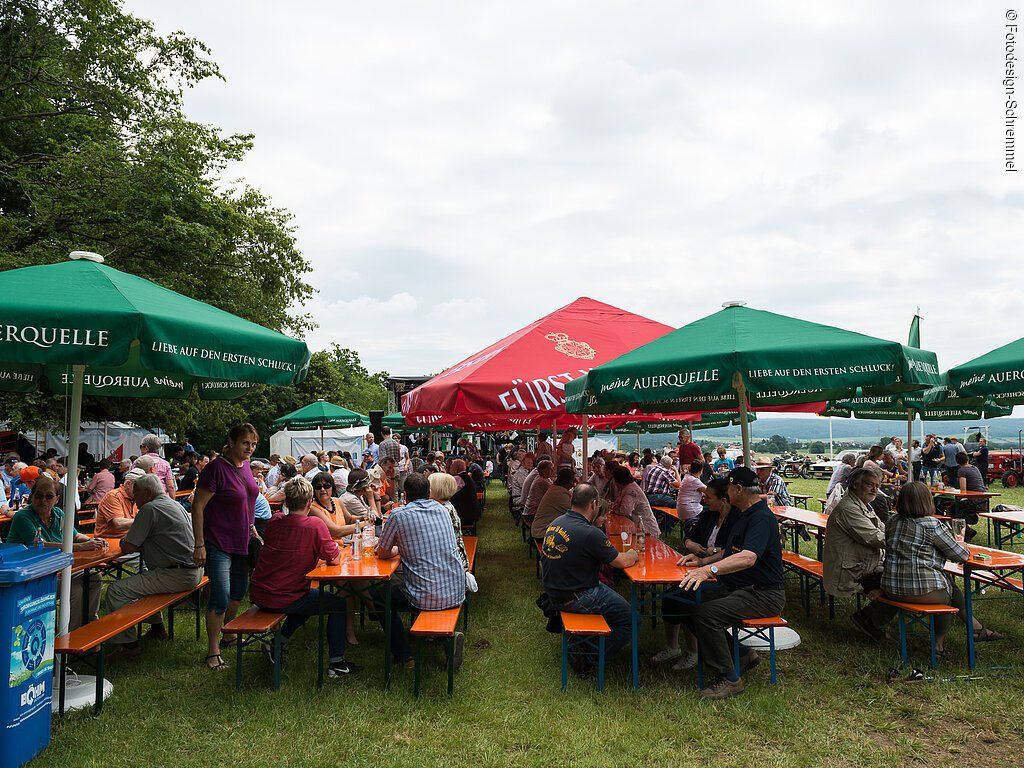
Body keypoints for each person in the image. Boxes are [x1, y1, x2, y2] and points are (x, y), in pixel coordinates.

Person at [670, 467, 786, 699]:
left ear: (738, 489)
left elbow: (748, 556)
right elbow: (728, 553)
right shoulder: (742, 513)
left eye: (729, 488)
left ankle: (730, 679)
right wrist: (703, 559)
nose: (727, 492)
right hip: (738, 588)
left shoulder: (761, 518)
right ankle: (742, 654)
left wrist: (708, 570)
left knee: (706, 614)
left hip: (763, 594)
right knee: (680, 603)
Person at [250, 476, 360, 677]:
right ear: (310, 502)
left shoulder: (275, 521)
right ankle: (337, 664)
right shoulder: (314, 525)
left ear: (286, 501)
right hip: (285, 596)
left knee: (310, 598)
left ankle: (278, 643)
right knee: (336, 604)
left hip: (259, 593)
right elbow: (334, 559)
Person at [883, 482, 1001, 653]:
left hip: (891, 586)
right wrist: (963, 544)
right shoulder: (931, 524)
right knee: (947, 595)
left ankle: (977, 628)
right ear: (926, 501)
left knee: (947, 584)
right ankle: (938, 645)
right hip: (919, 591)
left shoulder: (893, 520)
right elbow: (960, 555)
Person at [541, 483, 638, 674]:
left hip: (553, 593)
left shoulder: (556, 523)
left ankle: (585, 644)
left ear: (572, 500)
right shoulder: (590, 533)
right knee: (632, 619)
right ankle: (590, 657)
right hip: (578, 596)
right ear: (594, 504)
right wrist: (634, 554)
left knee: (610, 593)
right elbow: (621, 562)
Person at [103, 474, 204, 657]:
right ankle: (157, 628)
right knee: (145, 580)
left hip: (177, 574)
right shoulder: (174, 504)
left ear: (148, 493)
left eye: (136, 494)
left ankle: (129, 646)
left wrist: (130, 539)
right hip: (191, 571)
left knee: (116, 590)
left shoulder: (150, 509)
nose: (134, 499)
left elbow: (128, 547)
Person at [374, 472, 466, 667]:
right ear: (429, 492)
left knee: (380, 595)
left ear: (405, 495)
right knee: (417, 580)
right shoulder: (442, 509)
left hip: (426, 595)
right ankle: (443, 640)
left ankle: (403, 654)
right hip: (457, 589)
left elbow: (382, 552)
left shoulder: (399, 515)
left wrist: (399, 549)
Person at [191, 423, 261, 671]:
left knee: (238, 592)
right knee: (220, 594)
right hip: (217, 540)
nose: (250, 448)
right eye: (245, 443)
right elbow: (197, 506)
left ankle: (228, 633)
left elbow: (248, 501)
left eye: (253, 444)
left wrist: (251, 526)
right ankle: (213, 650)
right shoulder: (215, 470)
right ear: (231, 442)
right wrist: (199, 544)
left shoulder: (247, 468)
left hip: (242, 540)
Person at [653, 478, 734, 670]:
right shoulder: (708, 515)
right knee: (671, 595)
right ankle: (673, 647)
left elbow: (730, 550)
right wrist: (691, 545)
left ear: (723, 500)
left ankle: (694, 651)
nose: (704, 499)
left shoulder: (735, 520)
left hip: (723, 575)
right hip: (702, 569)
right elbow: (690, 536)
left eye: (708, 497)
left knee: (684, 598)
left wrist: (706, 558)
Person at [6, 474, 105, 629]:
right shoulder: (23, 517)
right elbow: (42, 546)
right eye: (39, 496)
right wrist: (80, 547)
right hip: (29, 576)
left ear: (56, 499)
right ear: (31, 497)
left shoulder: (58, 514)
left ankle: (90, 623)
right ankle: (72, 635)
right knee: (74, 588)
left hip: (54, 569)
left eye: (49, 496)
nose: (43, 500)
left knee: (94, 576)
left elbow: (75, 535)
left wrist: (92, 541)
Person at [822, 467, 894, 642]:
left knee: (917, 577)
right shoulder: (849, 508)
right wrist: (908, 540)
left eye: (877, 486)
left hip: (863, 566)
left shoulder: (863, 505)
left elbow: (885, 531)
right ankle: (870, 619)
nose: (874, 490)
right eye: (869, 484)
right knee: (904, 582)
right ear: (855, 484)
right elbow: (877, 538)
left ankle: (970, 623)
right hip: (851, 573)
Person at [429, 472, 471, 572]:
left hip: (453, 564)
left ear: (436, 490)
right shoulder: (447, 505)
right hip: (458, 557)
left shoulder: (441, 510)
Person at [608, 464, 661, 538]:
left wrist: (614, 508)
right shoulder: (627, 487)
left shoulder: (631, 491)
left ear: (618, 479)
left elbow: (624, 510)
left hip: (646, 531)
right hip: (638, 528)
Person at [95, 467, 145, 538]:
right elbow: (119, 524)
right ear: (128, 484)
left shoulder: (136, 497)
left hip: (130, 539)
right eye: (140, 487)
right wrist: (146, 521)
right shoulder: (113, 496)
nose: (142, 491)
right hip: (110, 541)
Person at [531, 466, 575, 542]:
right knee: (577, 534)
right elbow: (575, 512)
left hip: (539, 529)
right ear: (567, 482)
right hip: (542, 532)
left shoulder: (556, 489)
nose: (573, 484)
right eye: (572, 481)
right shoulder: (559, 494)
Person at [447, 458, 481, 532]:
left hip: (464, 514)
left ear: (456, 467)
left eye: (452, 466)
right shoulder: (466, 477)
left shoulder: (458, 478)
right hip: (472, 511)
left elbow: (448, 494)